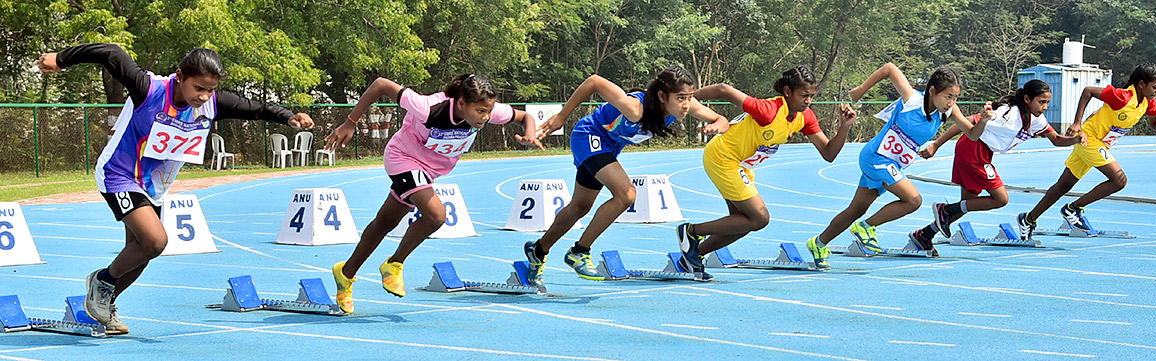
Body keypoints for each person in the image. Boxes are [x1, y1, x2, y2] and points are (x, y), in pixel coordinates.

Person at [37, 43, 315, 334]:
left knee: (140, 254)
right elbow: (110, 53)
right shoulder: (149, 88)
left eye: (210, 89)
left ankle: (104, 304)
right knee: (155, 242)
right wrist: (62, 59)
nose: (204, 97)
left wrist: (287, 116)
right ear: (180, 76)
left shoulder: (211, 103)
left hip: (153, 186)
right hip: (119, 173)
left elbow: (255, 109)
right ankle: (103, 281)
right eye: (198, 88)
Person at [323, 74, 543, 313]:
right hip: (403, 159)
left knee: (385, 222)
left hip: (427, 173)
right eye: (480, 111)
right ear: (461, 104)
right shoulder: (428, 107)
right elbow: (381, 85)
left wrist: (530, 134)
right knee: (437, 215)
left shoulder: (489, 111)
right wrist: (350, 122)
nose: (486, 117)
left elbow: (524, 117)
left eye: (488, 111)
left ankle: (345, 273)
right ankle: (394, 264)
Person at [524, 66, 728, 285]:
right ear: (662, 96)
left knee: (580, 207)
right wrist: (562, 116)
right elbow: (593, 81)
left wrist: (717, 125)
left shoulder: (687, 105)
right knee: (627, 194)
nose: (686, 104)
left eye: (689, 97)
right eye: (680, 98)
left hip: (610, 146)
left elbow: (721, 119)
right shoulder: (635, 108)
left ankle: (538, 250)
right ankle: (579, 251)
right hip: (590, 136)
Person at [676, 65, 858, 276]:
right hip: (723, 157)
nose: (808, 101)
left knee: (742, 224)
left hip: (741, 165)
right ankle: (691, 231)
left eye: (811, 96)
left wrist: (845, 127)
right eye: (803, 95)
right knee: (759, 218)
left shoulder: (804, 116)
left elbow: (828, 153)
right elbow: (724, 89)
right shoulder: (768, 110)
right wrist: (685, 100)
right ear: (788, 92)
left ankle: (692, 256)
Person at [806, 63, 986, 269]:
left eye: (955, 98)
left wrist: (984, 120)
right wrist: (860, 90)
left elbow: (972, 133)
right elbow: (890, 68)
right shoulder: (912, 99)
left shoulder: (948, 112)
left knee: (856, 209)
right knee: (913, 200)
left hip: (892, 164)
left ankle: (819, 243)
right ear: (933, 91)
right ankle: (866, 227)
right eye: (948, 96)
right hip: (877, 157)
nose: (951, 103)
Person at [1015, 63, 1156, 240]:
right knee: (1119, 180)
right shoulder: (1122, 96)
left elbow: (1154, 124)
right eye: (1155, 87)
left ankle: (1028, 219)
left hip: (1099, 144)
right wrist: (1077, 122)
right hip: (1088, 138)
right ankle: (1073, 209)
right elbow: (1088, 91)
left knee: (1063, 185)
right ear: (1141, 84)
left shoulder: (1148, 102)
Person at [913, 80, 1084, 244]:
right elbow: (966, 122)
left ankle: (924, 235)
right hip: (974, 149)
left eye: (1047, 102)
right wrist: (936, 144)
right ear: (1027, 99)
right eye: (1041, 102)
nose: (1045, 107)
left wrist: (1076, 140)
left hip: (982, 152)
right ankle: (945, 210)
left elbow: (1056, 139)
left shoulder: (1037, 119)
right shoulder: (1007, 113)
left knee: (968, 203)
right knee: (1000, 199)